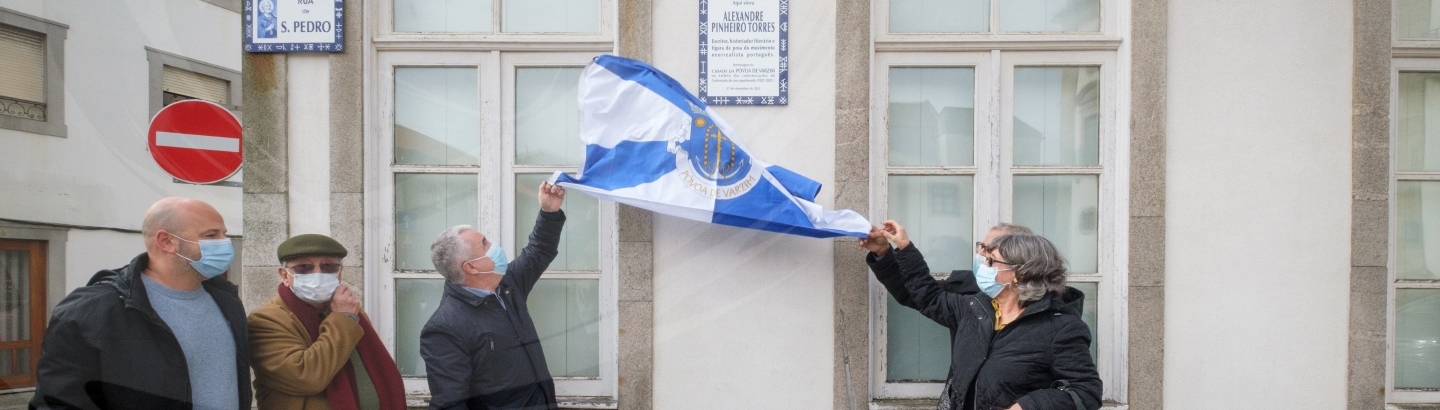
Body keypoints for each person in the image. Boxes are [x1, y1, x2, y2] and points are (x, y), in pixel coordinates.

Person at [31, 197, 251, 409]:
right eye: (211, 235)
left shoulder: (227, 301)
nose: (224, 243)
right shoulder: (89, 313)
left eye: (224, 234)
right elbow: (60, 403)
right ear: (166, 241)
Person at [861, 221, 1101, 410]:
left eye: (991, 259)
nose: (982, 263)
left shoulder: (1060, 327)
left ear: (1020, 274)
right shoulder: (976, 308)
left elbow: (1086, 391)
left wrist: (1027, 406)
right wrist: (902, 249)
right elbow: (928, 296)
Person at [421, 181, 568, 410]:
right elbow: (449, 405)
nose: (494, 245)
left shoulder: (507, 284)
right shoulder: (445, 328)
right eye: (485, 244)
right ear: (471, 267)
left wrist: (549, 212)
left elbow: (539, 251)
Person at [248, 234, 406, 410]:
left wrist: (345, 316)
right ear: (284, 275)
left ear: (339, 272)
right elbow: (307, 377)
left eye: (328, 266)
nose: (318, 274)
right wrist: (344, 319)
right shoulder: (265, 320)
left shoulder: (351, 313)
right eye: (304, 267)